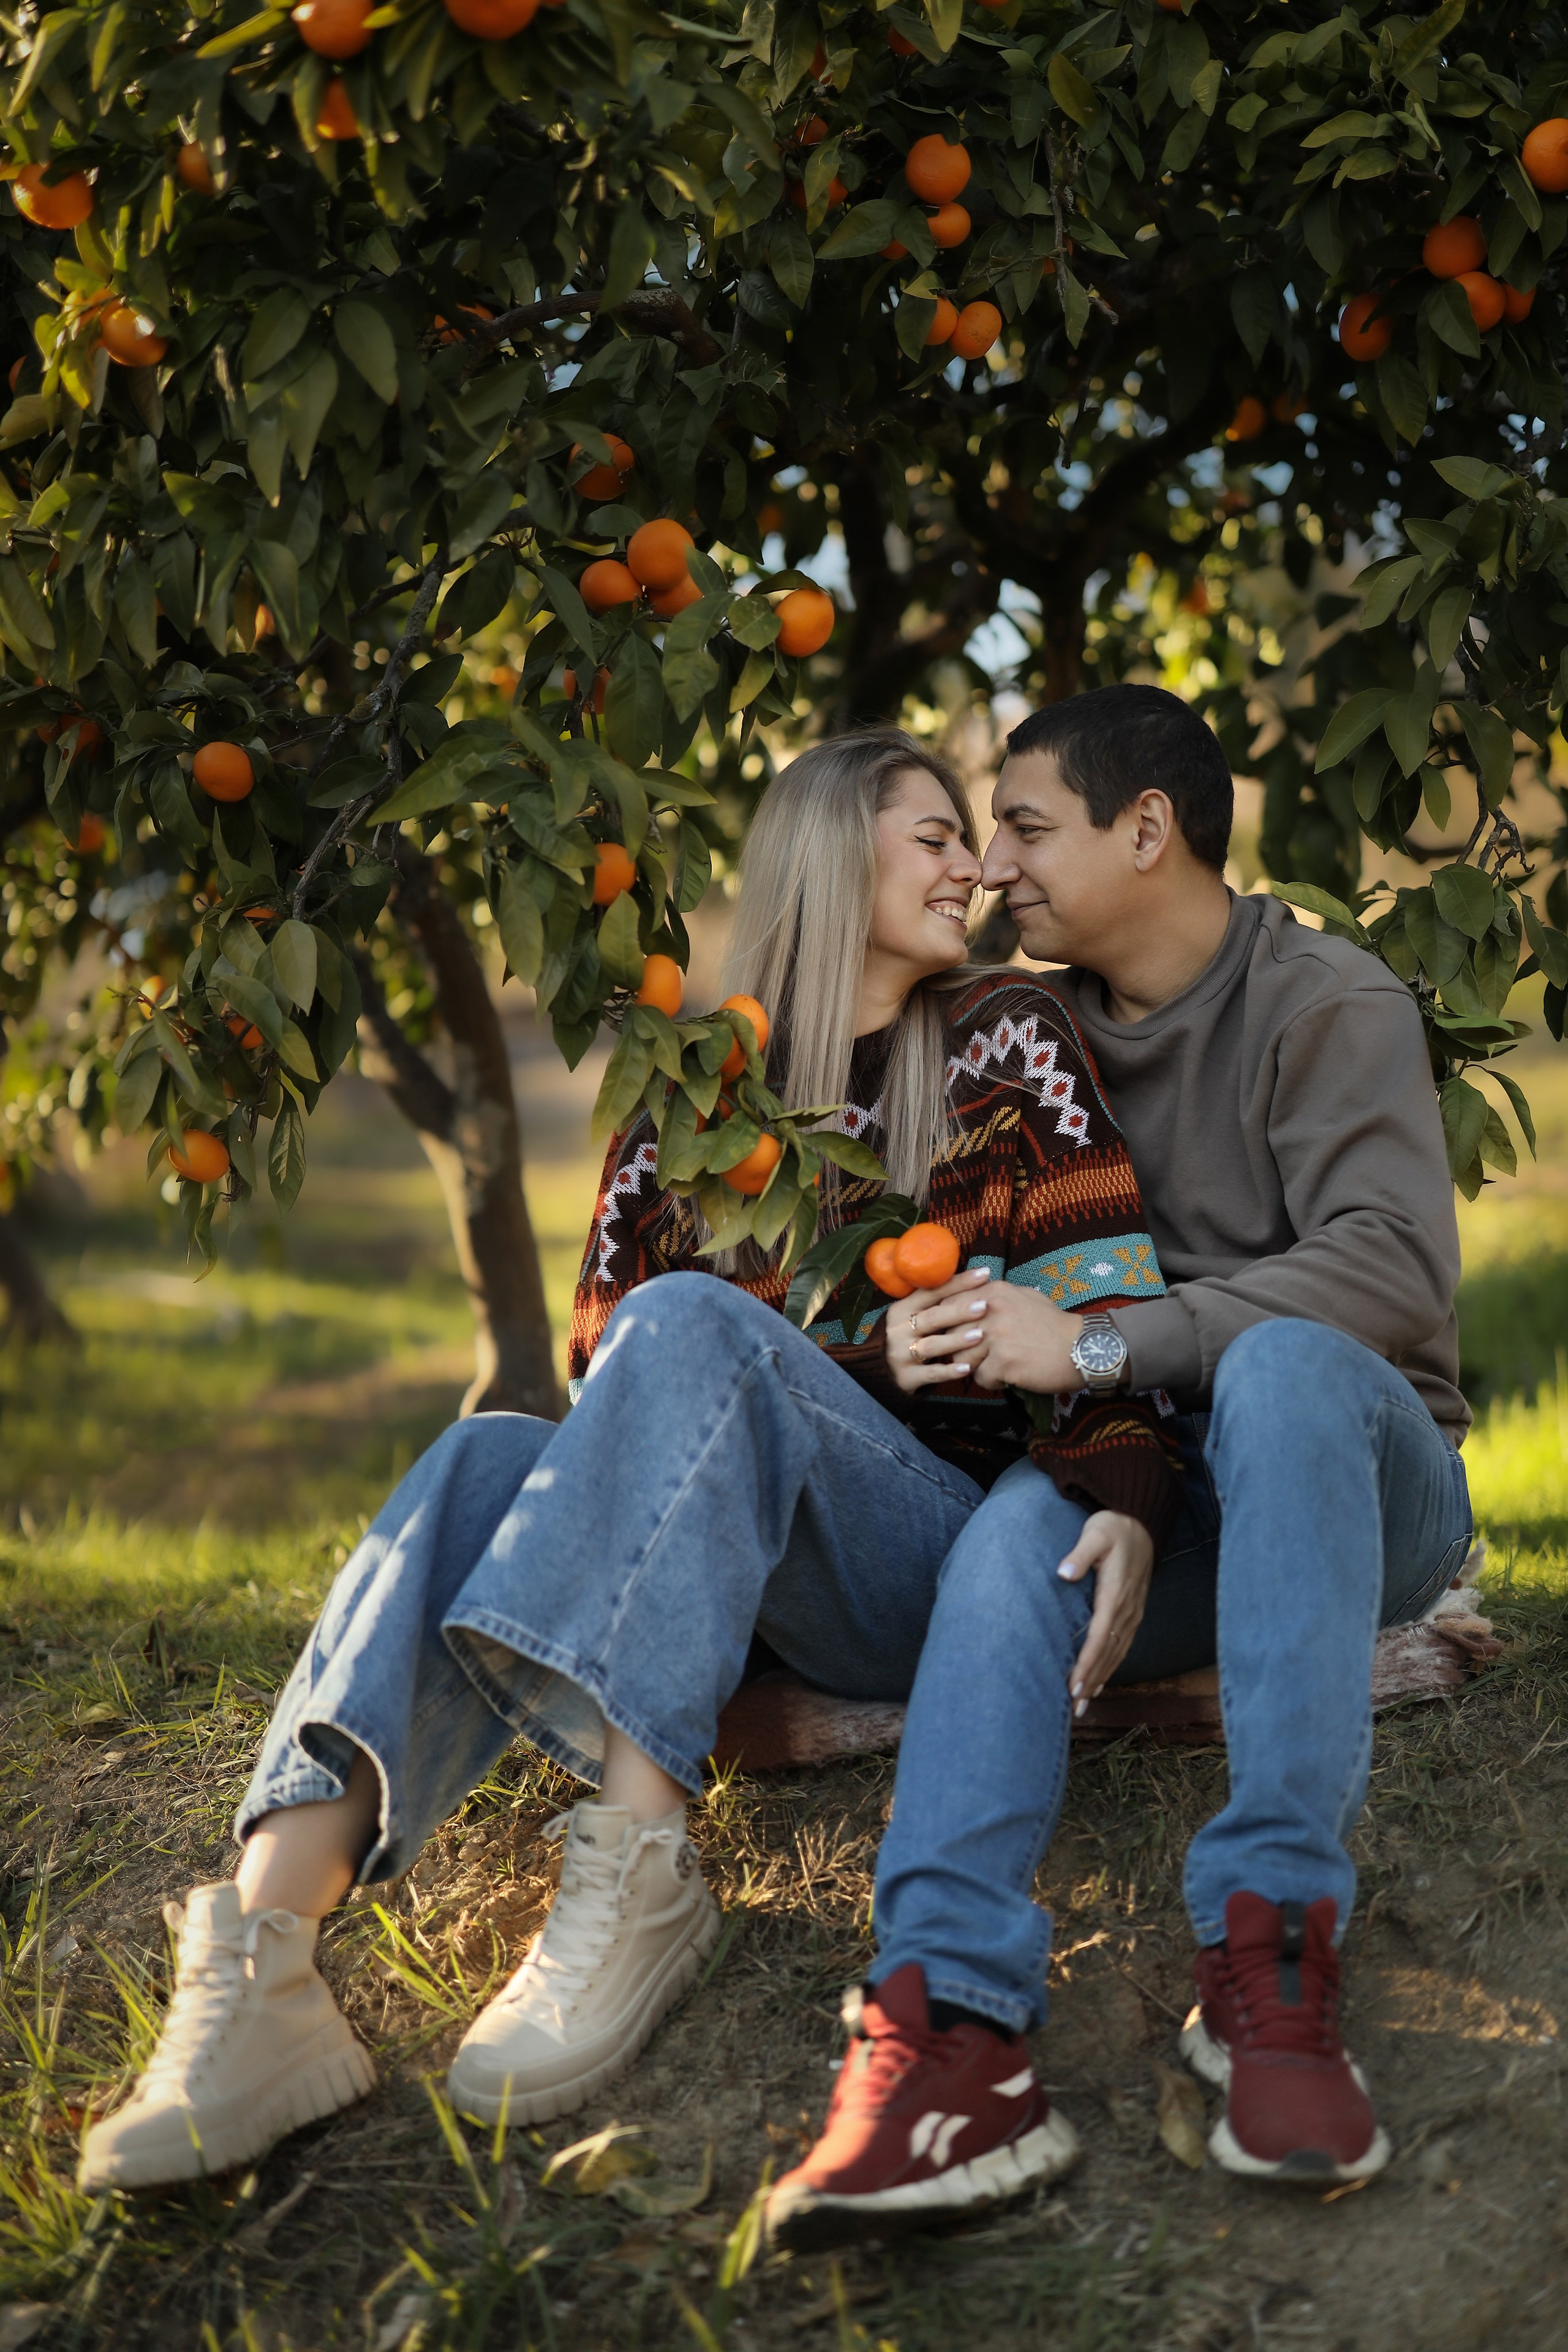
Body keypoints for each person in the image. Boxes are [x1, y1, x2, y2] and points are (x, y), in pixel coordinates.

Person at [78, 728, 1184, 2195]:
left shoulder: (1005, 1038)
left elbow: (1102, 1295)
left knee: (692, 1326)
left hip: (930, 1562)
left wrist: (1119, 1488)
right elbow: (625, 1390)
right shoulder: (694, 1091)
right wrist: (848, 1358)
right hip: (735, 1578)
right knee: (487, 1459)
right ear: (827, 851)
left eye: (969, 839)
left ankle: (638, 1867)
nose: (971, 866)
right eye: (932, 836)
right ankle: (262, 1966)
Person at [766, 684, 1472, 2253]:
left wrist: (1103, 1347)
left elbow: (1387, 1280)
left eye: (1024, 825)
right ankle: (946, 2028)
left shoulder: (1323, 1004)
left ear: (1143, 829)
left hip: (1363, 1479)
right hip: (1168, 1491)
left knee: (1282, 1367)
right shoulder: (1029, 1028)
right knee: (1023, 1530)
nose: (994, 864)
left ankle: (1272, 1958)